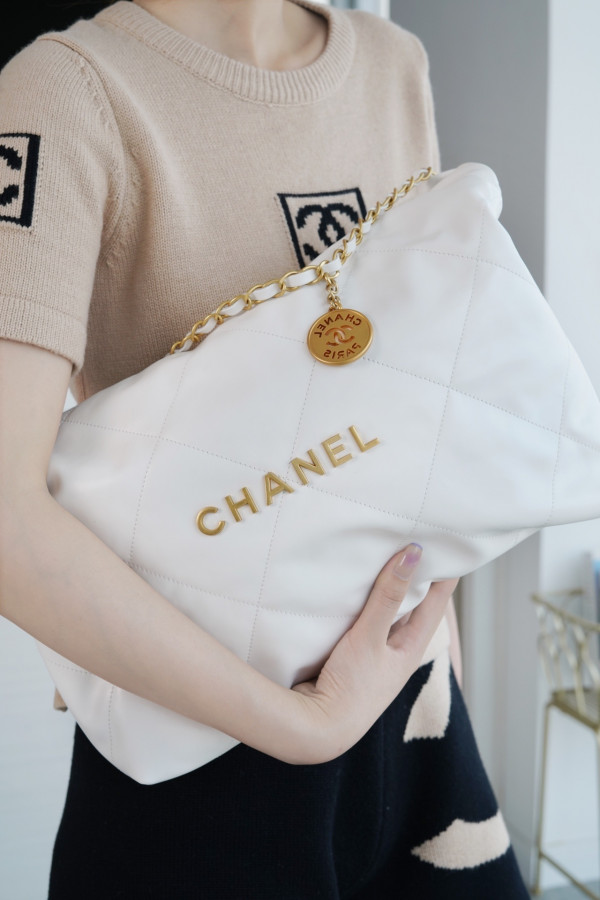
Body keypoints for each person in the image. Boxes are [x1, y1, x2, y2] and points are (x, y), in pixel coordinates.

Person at [0, 1, 530, 896]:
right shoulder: (63, 94)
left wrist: (439, 662)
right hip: (202, 765)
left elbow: (419, 415)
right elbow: (7, 519)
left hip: (421, 725)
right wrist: (309, 725)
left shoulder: (391, 64)